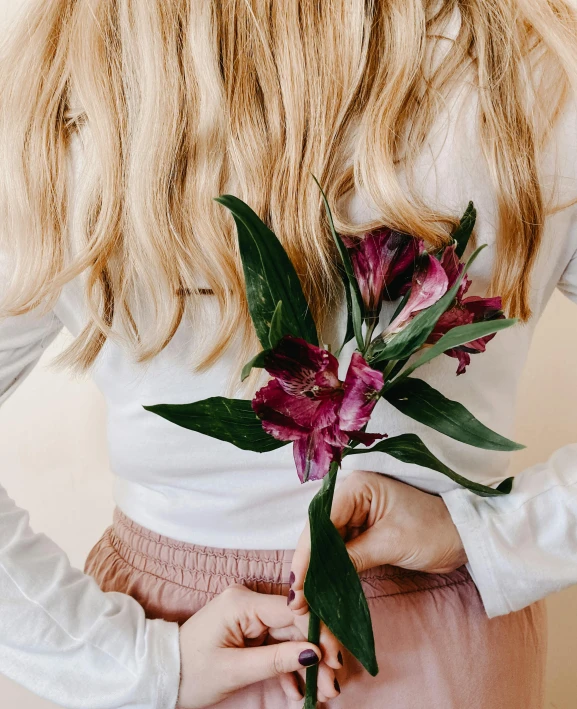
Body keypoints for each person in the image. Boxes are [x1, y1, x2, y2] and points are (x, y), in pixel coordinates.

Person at [1, 0, 577, 707]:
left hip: (180, 637)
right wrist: (500, 534)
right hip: (441, 650)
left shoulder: (84, 77)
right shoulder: (533, 68)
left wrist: (127, 662)